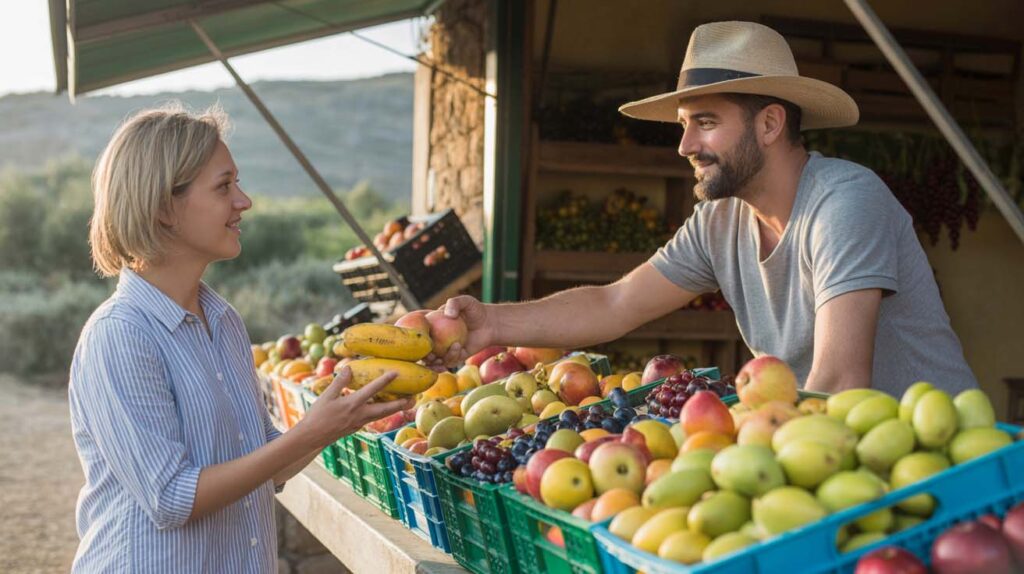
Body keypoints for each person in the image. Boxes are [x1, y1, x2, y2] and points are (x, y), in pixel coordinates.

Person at [432, 21, 976, 396]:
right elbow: (615, 303)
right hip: (833, 459)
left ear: (769, 125)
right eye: (684, 125)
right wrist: (491, 323)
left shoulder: (845, 202)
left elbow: (837, 382)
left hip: (938, 475)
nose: (685, 146)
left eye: (706, 123)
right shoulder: (722, 221)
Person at [68, 104, 411, 572]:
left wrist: (341, 419)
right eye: (224, 186)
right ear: (165, 206)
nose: (243, 201)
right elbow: (171, 498)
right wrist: (312, 430)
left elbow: (266, 468)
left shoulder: (224, 321)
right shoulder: (119, 337)